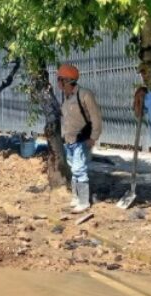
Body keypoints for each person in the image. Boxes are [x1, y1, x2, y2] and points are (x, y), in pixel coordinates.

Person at [58, 64, 102, 213]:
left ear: (68, 80)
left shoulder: (84, 95)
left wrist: (93, 137)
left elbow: (96, 118)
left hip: (82, 139)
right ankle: (76, 198)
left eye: (60, 79)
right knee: (73, 168)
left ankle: (83, 202)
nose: (58, 82)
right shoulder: (66, 97)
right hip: (69, 140)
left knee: (79, 169)